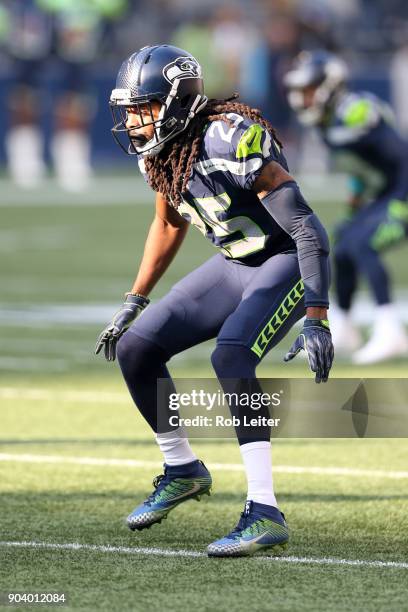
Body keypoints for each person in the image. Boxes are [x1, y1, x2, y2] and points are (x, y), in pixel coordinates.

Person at [95, 44, 333, 557]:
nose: (134, 120)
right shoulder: (163, 150)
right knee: (137, 349)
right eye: (130, 109)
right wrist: (136, 298)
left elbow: (306, 228)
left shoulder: (232, 137)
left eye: (144, 106)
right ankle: (182, 467)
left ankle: (265, 510)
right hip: (232, 264)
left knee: (230, 355)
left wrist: (317, 316)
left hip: (283, 258)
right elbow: (166, 222)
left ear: (178, 102)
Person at [284, 50, 408, 364]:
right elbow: (360, 169)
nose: (303, 98)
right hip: (386, 193)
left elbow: (402, 157)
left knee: (363, 244)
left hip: (401, 193)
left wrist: (399, 206)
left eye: (309, 89)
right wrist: (354, 210)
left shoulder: (356, 110)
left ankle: (391, 329)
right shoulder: (325, 122)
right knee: (341, 244)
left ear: (329, 85)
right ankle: (344, 326)